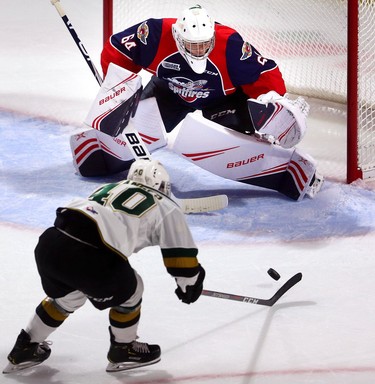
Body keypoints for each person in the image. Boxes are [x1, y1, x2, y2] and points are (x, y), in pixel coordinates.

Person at [71, 4, 323, 201]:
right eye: (193, 45)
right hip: (170, 92)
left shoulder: (231, 46)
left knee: (240, 137)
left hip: (222, 100)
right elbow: (118, 49)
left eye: (204, 44)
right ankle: (101, 151)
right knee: (138, 129)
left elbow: (265, 73)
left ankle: (280, 165)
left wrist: (270, 100)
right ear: (179, 38)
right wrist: (118, 87)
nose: (199, 50)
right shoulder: (155, 34)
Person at [3, 159, 205, 374]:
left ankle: (25, 347)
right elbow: (182, 259)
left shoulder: (108, 188)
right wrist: (189, 283)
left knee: (67, 298)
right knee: (132, 290)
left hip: (51, 244)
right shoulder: (165, 205)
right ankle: (124, 350)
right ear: (161, 185)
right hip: (90, 256)